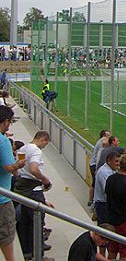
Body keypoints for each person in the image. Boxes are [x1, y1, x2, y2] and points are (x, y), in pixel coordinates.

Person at [15, 131, 55, 259]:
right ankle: (39, 255)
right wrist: (45, 180)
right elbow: (34, 169)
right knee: (37, 223)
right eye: (45, 143)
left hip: (23, 190)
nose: (44, 146)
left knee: (25, 222)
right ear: (43, 140)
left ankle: (26, 252)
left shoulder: (22, 149)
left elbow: (18, 170)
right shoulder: (36, 151)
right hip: (34, 191)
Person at [0, 106, 26, 261]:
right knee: (6, 236)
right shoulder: (3, 142)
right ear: (5, 122)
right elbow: (9, 167)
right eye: (9, 122)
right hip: (2, 200)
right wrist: (19, 164)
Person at [93, 151, 121, 224]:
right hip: (103, 205)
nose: (118, 163)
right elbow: (108, 190)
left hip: (105, 204)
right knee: (104, 229)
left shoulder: (112, 170)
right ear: (109, 161)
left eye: (119, 161)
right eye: (116, 161)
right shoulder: (104, 172)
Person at [89, 130, 111, 206]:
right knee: (95, 184)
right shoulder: (103, 142)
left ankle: (91, 200)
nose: (109, 137)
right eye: (108, 135)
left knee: (95, 183)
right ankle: (92, 201)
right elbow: (104, 143)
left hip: (94, 164)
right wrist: (97, 169)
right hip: (95, 165)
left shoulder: (100, 142)